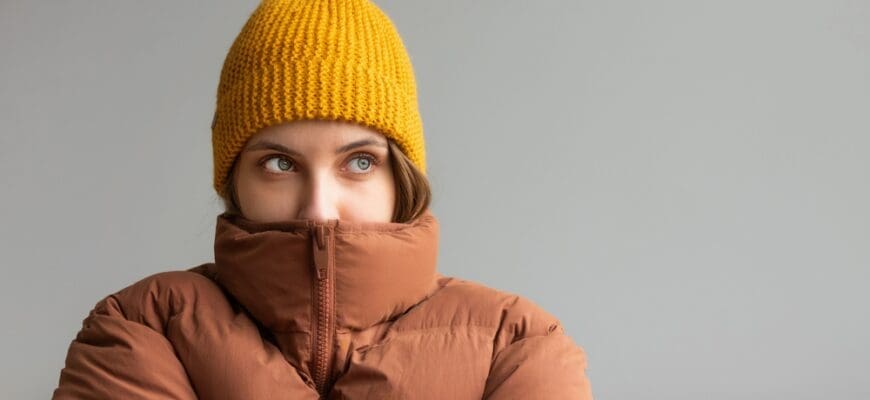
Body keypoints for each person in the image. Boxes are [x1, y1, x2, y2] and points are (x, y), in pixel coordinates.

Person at [52, 0, 594, 398]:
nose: (319, 208)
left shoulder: (515, 343)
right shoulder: (145, 325)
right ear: (234, 179)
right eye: (279, 163)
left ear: (400, 178)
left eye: (359, 162)